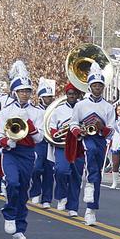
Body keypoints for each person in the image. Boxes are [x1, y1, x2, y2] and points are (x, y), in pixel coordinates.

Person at [0, 62, 44, 239]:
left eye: (27, 91)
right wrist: (8, 142)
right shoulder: (6, 111)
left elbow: (39, 139)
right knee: (13, 183)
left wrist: (30, 126)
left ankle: (20, 227)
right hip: (10, 153)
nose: (25, 94)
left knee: (23, 189)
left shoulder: (37, 112)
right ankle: (9, 213)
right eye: (21, 90)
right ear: (15, 92)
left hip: (28, 153)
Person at [69, 66, 117, 226]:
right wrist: (79, 132)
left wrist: (101, 127)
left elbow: (112, 130)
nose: (97, 88)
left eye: (100, 85)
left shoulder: (108, 107)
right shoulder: (80, 105)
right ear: (89, 86)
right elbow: (73, 123)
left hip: (100, 139)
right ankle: (88, 189)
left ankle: (91, 209)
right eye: (95, 85)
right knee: (91, 159)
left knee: (97, 174)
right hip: (85, 140)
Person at [49, 86, 85, 216]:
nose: (71, 96)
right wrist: (55, 134)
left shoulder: (83, 107)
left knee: (76, 176)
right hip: (62, 145)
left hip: (78, 146)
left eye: (74, 94)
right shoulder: (58, 110)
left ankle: (73, 207)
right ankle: (61, 195)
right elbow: (52, 126)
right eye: (69, 93)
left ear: (78, 95)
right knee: (61, 170)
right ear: (66, 94)